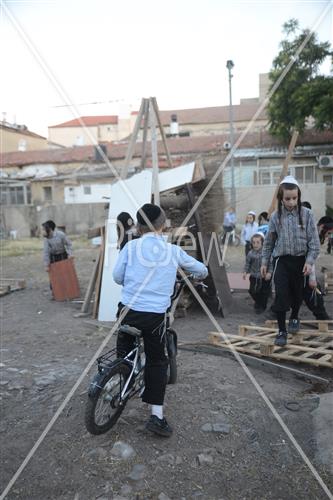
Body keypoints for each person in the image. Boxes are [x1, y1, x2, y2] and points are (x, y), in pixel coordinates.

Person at [113, 203, 208, 437]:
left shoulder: (130, 247)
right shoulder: (172, 251)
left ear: (138, 226)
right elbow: (202, 270)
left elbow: (117, 277)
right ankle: (156, 417)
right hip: (154, 317)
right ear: (163, 224)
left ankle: (118, 378)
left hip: (126, 311)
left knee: (124, 351)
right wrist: (194, 276)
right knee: (157, 361)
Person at [261, 176, 320, 347]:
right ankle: (281, 330)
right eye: (287, 198)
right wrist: (265, 262)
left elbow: (314, 243)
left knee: (297, 294)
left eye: (295, 198)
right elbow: (269, 242)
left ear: (298, 196)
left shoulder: (307, 215)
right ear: (281, 197)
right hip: (282, 262)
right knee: (280, 294)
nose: (291, 202)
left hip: (301, 261)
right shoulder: (274, 217)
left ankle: (294, 316)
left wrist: (309, 261)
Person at [243, 232, 272, 314]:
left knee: (264, 292)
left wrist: (269, 273)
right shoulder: (250, 253)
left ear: (262, 243)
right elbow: (247, 264)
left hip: (264, 276)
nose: (255, 244)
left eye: (258, 242)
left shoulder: (266, 253)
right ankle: (258, 301)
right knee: (252, 291)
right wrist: (245, 271)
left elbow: (270, 264)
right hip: (254, 276)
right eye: (254, 242)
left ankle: (262, 306)